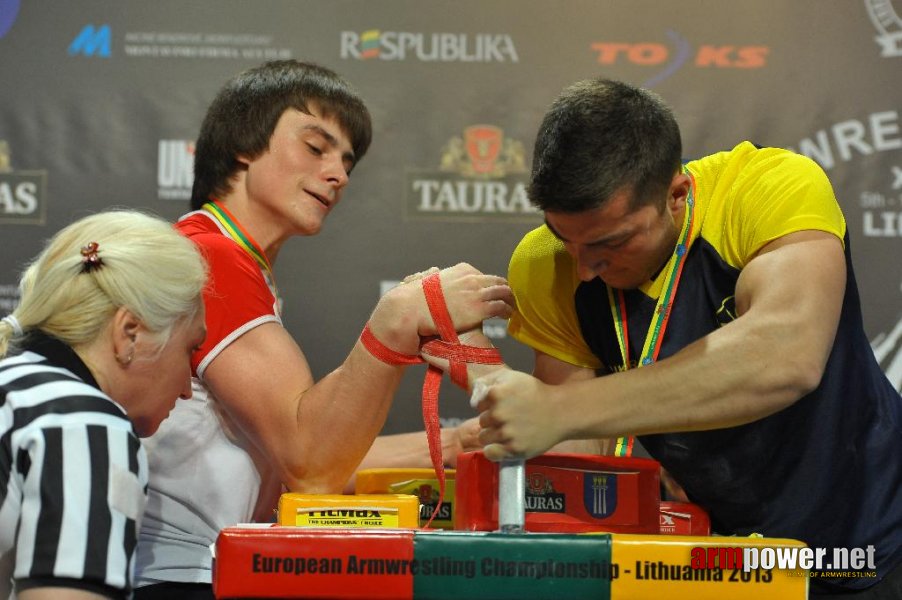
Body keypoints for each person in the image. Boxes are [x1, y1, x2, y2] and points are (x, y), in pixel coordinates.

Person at [452, 78, 902, 598]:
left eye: (611, 242)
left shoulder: (767, 187)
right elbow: (584, 445)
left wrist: (558, 409)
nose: (586, 268)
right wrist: (493, 385)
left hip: (874, 533)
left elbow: (785, 356)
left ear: (676, 193)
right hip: (731, 558)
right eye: (564, 239)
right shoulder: (543, 266)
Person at [134, 60, 513, 597]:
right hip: (181, 579)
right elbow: (311, 466)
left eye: (346, 162)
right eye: (316, 148)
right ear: (243, 145)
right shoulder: (208, 256)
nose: (339, 174)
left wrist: (457, 442)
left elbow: (316, 461)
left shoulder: (223, 258)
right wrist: (398, 319)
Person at [0, 210, 207, 599]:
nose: (186, 389)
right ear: (129, 333)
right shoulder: (81, 423)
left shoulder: (17, 387)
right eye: (190, 350)